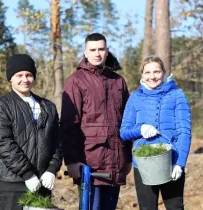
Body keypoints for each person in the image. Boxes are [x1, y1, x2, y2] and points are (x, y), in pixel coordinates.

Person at [60, 33, 132, 210]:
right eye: (92, 49)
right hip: (90, 163)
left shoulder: (118, 81)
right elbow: (68, 124)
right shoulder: (75, 81)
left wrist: (128, 157)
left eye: (101, 49)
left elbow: (127, 121)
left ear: (107, 51)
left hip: (116, 161)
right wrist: (72, 160)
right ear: (85, 52)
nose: (97, 53)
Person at [0, 54, 63, 210]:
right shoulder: (0, 106)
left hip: (42, 182)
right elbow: (2, 143)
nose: (24, 79)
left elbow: (57, 141)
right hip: (12, 183)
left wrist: (52, 169)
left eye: (29, 75)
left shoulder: (48, 107)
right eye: (19, 75)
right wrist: (27, 174)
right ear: (10, 78)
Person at [120, 56, 191, 210]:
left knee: (175, 207)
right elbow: (124, 132)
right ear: (142, 75)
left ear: (164, 72)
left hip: (171, 161)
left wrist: (179, 163)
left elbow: (184, 132)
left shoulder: (177, 95)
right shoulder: (135, 98)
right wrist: (140, 129)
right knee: (147, 208)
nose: (152, 76)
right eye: (147, 72)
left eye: (157, 72)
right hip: (143, 164)